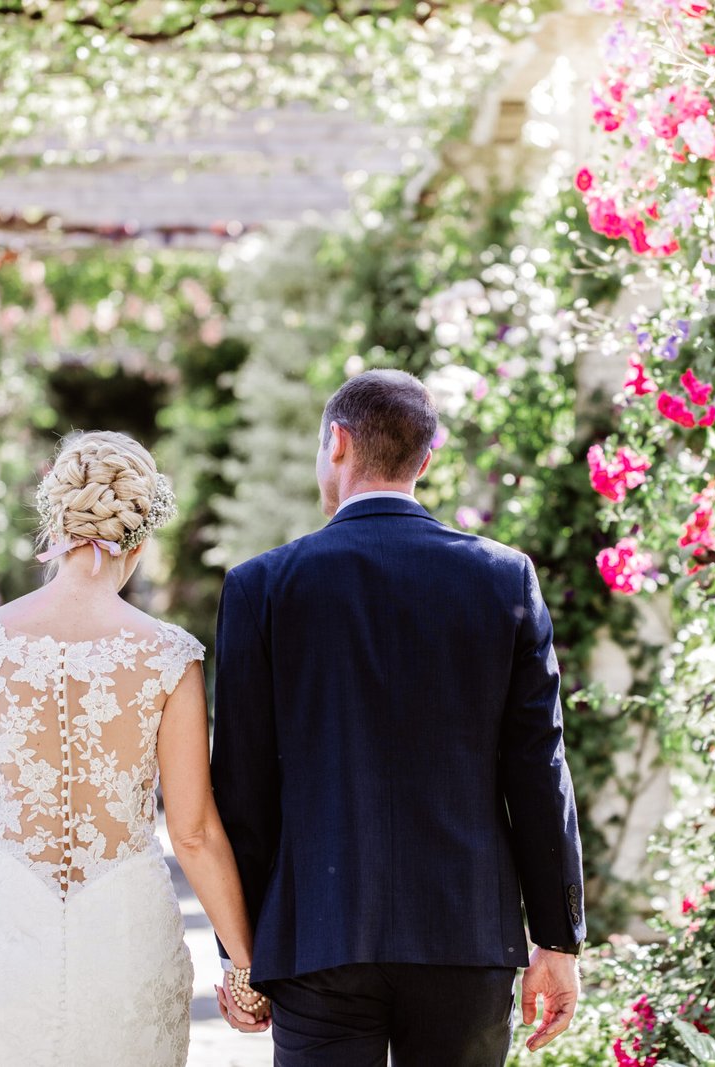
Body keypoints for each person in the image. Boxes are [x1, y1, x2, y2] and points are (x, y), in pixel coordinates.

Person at [211, 369, 586, 1065]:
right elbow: (539, 768)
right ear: (426, 460)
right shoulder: (505, 578)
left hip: (315, 936)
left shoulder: (260, 586)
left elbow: (242, 788)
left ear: (339, 444)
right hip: (465, 932)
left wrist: (241, 955)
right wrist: (558, 938)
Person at [0, 431, 264, 1066]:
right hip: (125, 928)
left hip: (5, 928)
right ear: (139, 536)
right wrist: (246, 969)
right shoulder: (168, 654)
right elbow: (192, 832)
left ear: (55, 523)